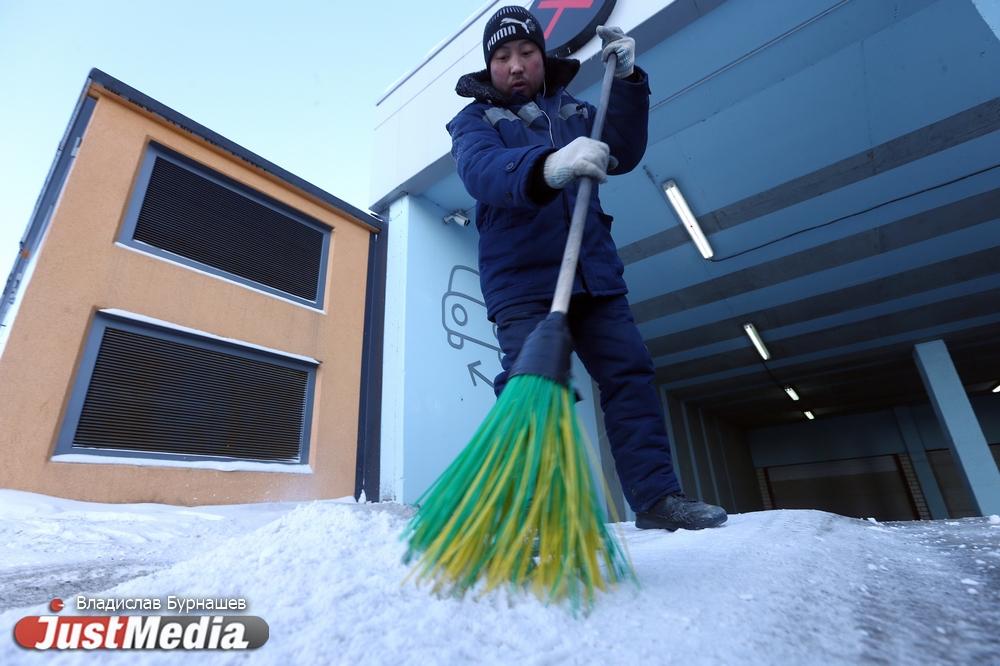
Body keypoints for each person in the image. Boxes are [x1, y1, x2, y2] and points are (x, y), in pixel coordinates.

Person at [446, 6, 726, 531]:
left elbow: (621, 150)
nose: (515, 65)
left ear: (541, 57)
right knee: (534, 389)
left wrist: (626, 82)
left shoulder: (574, 110)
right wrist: (547, 166)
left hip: (594, 272)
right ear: (490, 67)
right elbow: (481, 172)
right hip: (522, 280)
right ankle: (532, 515)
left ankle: (656, 498)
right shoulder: (473, 122)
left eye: (525, 52)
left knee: (629, 375)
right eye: (502, 57)